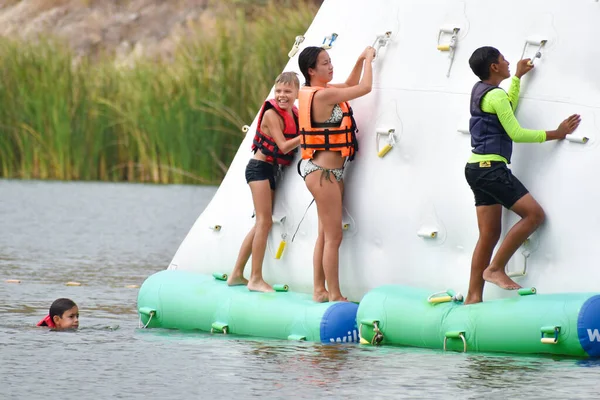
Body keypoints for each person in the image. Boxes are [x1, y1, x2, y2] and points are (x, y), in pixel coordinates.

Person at [464, 46, 581, 304]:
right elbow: (516, 133)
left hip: (475, 169)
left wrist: (517, 78)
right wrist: (556, 133)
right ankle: (495, 268)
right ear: (494, 67)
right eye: (503, 60)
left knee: (489, 235)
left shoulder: (482, 91)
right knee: (534, 215)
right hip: (491, 170)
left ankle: (473, 298)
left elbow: (507, 107)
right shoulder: (494, 96)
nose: (508, 62)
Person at [297, 45, 376, 302]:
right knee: (334, 236)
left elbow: (352, 82)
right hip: (323, 173)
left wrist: (361, 58)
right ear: (311, 70)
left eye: (330, 61)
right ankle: (334, 294)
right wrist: (371, 63)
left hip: (329, 173)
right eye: (324, 63)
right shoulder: (321, 97)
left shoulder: (324, 91)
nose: (330, 66)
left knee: (324, 234)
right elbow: (363, 88)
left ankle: (319, 289)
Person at [227, 72, 301, 292]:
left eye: (287, 91)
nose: (282, 95)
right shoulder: (271, 114)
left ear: (297, 93)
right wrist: (309, 134)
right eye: (278, 91)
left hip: (271, 170)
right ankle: (255, 278)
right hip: (258, 169)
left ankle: (236, 274)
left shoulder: (294, 113)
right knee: (263, 222)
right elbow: (284, 146)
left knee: (262, 222)